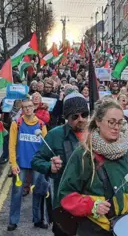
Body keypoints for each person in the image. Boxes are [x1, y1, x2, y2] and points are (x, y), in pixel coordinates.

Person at [57, 98, 128, 235]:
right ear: (98, 121)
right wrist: (92, 206)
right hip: (93, 230)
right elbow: (65, 195)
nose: (116, 127)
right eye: (111, 122)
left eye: (120, 123)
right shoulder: (83, 154)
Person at [31, 91, 89, 236]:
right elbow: (36, 161)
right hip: (64, 204)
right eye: (75, 116)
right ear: (67, 117)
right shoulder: (55, 135)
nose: (80, 119)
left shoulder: (96, 133)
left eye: (84, 114)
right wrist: (49, 167)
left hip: (91, 203)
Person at [7, 99, 49, 231]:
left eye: (30, 106)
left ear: (34, 108)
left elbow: (46, 147)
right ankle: (13, 221)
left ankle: (38, 219)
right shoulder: (17, 124)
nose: (27, 109)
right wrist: (13, 164)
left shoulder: (41, 125)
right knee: (17, 193)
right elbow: (11, 146)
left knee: (39, 192)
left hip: (37, 164)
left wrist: (45, 164)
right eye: (25, 107)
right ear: (22, 109)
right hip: (21, 164)